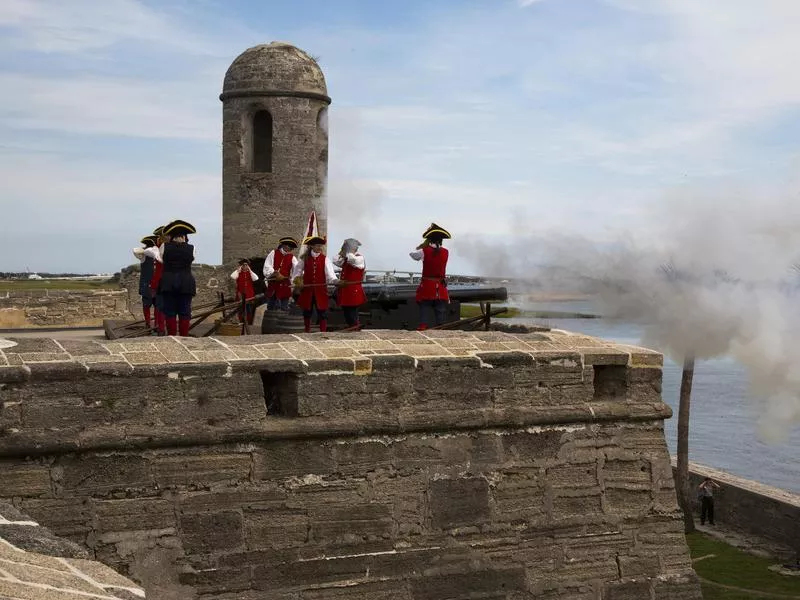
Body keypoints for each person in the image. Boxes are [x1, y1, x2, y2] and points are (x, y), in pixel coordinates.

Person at [291, 235, 338, 332]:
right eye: (317, 246)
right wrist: (297, 280)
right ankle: (307, 331)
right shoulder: (304, 259)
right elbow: (297, 272)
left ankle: (323, 332)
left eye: (321, 246)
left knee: (322, 312)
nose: (320, 248)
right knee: (307, 312)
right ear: (312, 246)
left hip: (320, 290)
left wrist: (336, 281)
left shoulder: (325, 259)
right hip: (307, 290)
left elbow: (330, 275)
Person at [409, 223, 451, 330]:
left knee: (424, 306)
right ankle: (441, 326)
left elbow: (412, 255)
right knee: (440, 308)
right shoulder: (446, 252)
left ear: (429, 240)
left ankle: (423, 325)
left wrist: (423, 246)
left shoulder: (424, 251)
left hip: (428, 286)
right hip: (440, 287)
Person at [159, 220, 196, 337]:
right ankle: (184, 337)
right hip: (186, 282)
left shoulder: (164, 246)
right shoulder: (192, 248)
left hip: (169, 281)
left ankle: (172, 337)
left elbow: (161, 259)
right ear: (185, 236)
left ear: (171, 236)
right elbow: (192, 259)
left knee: (170, 312)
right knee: (185, 311)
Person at [333, 238, 367, 328]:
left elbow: (352, 259)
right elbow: (335, 260)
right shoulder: (346, 259)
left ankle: (355, 326)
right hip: (345, 290)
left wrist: (348, 251)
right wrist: (341, 251)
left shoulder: (359, 258)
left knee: (352, 311)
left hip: (353, 290)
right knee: (347, 311)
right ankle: (352, 326)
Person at [263, 237, 299, 311]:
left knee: (284, 308)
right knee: (271, 307)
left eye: (292, 248)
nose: (291, 249)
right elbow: (267, 266)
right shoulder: (273, 253)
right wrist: (275, 274)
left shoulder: (292, 258)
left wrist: (297, 280)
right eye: (290, 246)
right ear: (284, 245)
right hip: (273, 285)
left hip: (285, 286)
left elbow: (297, 270)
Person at [132, 235, 160, 331]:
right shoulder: (144, 254)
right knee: (147, 305)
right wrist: (145, 249)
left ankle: (156, 324)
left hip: (156, 284)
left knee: (157, 305)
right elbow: (135, 250)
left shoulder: (159, 254)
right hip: (147, 284)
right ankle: (148, 323)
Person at [149, 225, 167, 336]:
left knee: (160, 306)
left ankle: (161, 328)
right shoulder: (161, 247)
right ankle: (160, 326)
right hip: (163, 278)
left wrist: (153, 284)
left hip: (161, 279)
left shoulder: (161, 248)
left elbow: (159, 267)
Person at [231, 258, 259, 325]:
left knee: (249, 310)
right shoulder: (238, 273)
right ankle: (241, 322)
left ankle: (248, 323)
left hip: (249, 294)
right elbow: (233, 276)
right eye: (243, 265)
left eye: (246, 265)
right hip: (240, 294)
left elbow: (256, 278)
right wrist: (238, 270)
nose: (245, 266)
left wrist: (250, 270)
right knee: (241, 310)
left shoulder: (250, 273)